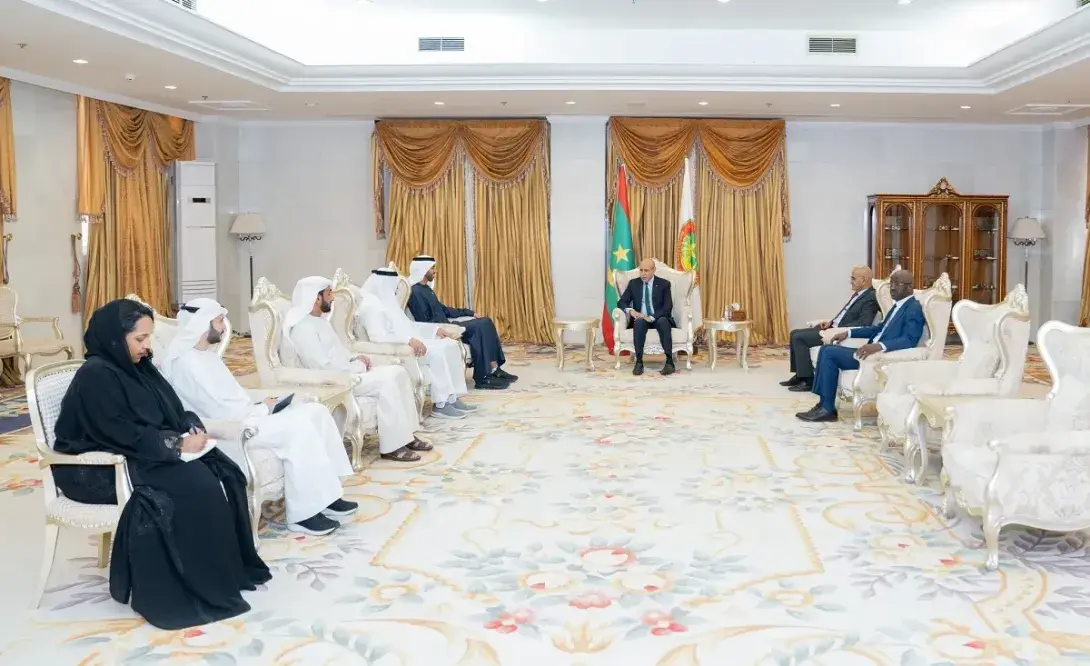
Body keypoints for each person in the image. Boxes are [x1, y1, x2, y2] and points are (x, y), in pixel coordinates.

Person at [50, 299, 271, 630]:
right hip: (95, 467)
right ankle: (195, 584)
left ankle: (226, 575)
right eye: (140, 339)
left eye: (149, 337)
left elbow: (168, 407)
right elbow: (116, 431)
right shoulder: (96, 375)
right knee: (196, 485)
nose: (147, 346)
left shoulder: (137, 365)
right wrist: (176, 445)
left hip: (133, 450)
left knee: (222, 470)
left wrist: (187, 425)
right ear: (115, 338)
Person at [160, 298, 359, 537]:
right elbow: (222, 412)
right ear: (203, 324)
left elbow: (232, 397)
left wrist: (262, 404)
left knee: (317, 412)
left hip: (250, 414)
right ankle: (303, 516)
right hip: (233, 428)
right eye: (219, 321)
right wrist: (263, 409)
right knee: (300, 427)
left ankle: (329, 495)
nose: (224, 327)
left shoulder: (205, 355)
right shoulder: (186, 364)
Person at [285, 276, 432, 462]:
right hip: (339, 381)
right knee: (387, 382)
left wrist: (355, 358)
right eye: (329, 293)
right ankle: (393, 446)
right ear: (316, 297)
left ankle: (407, 436)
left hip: (350, 370)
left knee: (399, 372)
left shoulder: (320, 321)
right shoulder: (304, 328)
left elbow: (338, 353)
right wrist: (357, 365)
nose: (332, 297)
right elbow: (323, 366)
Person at [798, 269, 924, 423]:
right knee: (826, 351)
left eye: (897, 284)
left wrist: (879, 346)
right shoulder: (897, 306)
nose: (892, 287)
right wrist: (848, 333)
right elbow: (878, 329)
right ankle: (824, 405)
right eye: (891, 283)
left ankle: (826, 408)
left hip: (878, 357)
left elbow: (909, 340)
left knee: (828, 352)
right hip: (869, 352)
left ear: (909, 287)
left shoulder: (913, 307)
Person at [357, 268, 474, 419]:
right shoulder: (371, 305)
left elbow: (409, 326)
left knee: (449, 345)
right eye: (393, 284)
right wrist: (409, 340)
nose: (395, 288)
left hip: (408, 341)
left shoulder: (387, 302)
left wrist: (435, 330)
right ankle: (441, 404)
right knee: (437, 352)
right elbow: (378, 336)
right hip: (398, 348)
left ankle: (452, 397)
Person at [406, 255, 517, 390]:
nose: (435, 271)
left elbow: (444, 310)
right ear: (423, 270)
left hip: (448, 325)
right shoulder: (416, 292)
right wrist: (438, 330)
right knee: (481, 326)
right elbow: (423, 321)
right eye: (432, 268)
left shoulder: (426, 289)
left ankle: (494, 369)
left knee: (486, 322)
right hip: (442, 329)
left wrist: (469, 312)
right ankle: (482, 378)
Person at [782, 266, 879, 392]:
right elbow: (845, 315)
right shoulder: (859, 294)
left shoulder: (870, 297)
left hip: (837, 332)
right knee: (794, 333)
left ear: (864, 280)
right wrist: (830, 322)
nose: (850, 281)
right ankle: (799, 375)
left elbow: (863, 323)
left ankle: (808, 380)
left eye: (853, 278)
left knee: (799, 337)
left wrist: (838, 329)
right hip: (832, 327)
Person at [617, 258, 676, 376]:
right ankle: (639, 362)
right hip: (642, 318)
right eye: (641, 270)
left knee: (663, 321)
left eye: (646, 270)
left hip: (658, 317)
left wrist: (652, 317)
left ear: (653, 270)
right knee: (638, 322)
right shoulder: (634, 283)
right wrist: (631, 311)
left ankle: (670, 362)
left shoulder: (664, 284)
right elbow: (622, 302)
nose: (643, 273)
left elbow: (667, 307)